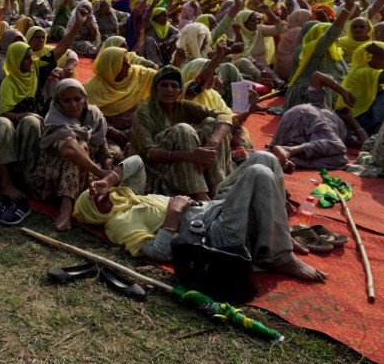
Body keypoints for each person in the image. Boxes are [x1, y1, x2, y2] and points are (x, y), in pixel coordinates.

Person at [74, 152, 328, 282]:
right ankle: (279, 256)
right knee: (259, 173)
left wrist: (106, 180)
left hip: (211, 208)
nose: (101, 196)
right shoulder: (117, 224)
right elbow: (159, 252)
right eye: (94, 201)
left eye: (98, 193)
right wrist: (172, 217)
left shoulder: (131, 197)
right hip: (212, 232)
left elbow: (136, 161)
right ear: (93, 214)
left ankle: (277, 231)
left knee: (265, 158)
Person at [130, 66, 233, 200]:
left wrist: (211, 143)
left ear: (180, 91)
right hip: (156, 169)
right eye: (164, 85)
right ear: (155, 89)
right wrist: (190, 155)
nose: (169, 90)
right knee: (183, 130)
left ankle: (216, 190)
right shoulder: (144, 112)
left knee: (212, 123)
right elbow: (149, 152)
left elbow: (224, 116)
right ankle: (200, 195)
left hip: (186, 162)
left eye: (174, 86)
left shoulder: (183, 106)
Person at [31, 79, 112, 230]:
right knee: (76, 150)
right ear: (58, 102)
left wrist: (108, 174)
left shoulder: (93, 116)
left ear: (84, 99)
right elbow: (69, 149)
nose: (74, 105)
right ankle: (66, 209)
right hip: (52, 182)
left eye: (77, 99)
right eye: (67, 101)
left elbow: (105, 152)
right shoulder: (55, 120)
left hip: (86, 176)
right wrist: (100, 172)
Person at [270, 72, 358, 172]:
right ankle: (291, 152)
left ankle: (290, 157)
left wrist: (351, 120)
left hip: (293, 121)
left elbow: (365, 143)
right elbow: (317, 76)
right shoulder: (321, 104)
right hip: (307, 116)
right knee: (340, 152)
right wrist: (343, 92)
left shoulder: (346, 132)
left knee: (340, 159)